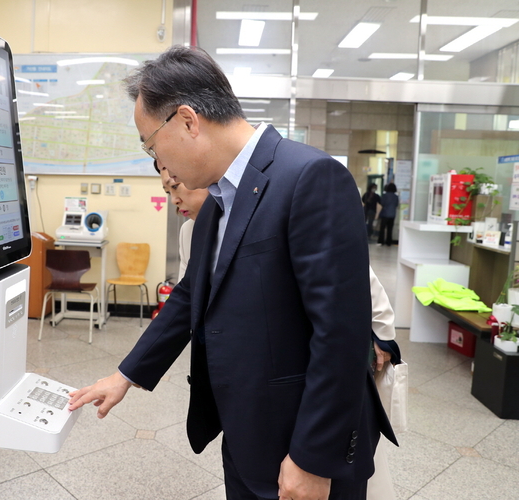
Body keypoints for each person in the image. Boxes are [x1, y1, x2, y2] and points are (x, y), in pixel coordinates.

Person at [68, 46, 396, 500]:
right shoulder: (218, 199)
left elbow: (341, 333)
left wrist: (312, 460)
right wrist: (125, 376)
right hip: (246, 435)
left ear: (187, 121)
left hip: (299, 449)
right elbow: (190, 297)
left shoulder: (309, 177)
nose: (158, 164)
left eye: (151, 146)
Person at [159, 162, 401, 499]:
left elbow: (355, 289)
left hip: (315, 372)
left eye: (177, 184)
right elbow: (191, 298)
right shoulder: (192, 232)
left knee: (343, 472)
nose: (173, 197)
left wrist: (381, 337)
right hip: (248, 382)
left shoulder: (273, 207)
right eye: (167, 189)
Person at [155, 159, 209, 280]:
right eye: (168, 192)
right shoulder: (188, 230)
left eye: (175, 186)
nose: (174, 200)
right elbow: (185, 288)